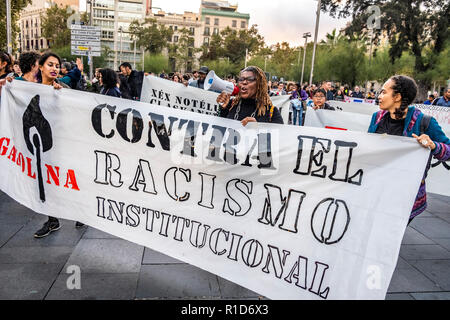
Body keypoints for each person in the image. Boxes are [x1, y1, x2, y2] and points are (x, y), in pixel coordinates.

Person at [368, 75, 450, 224]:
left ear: (397, 96)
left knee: (389, 235)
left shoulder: (425, 122)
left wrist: (434, 146)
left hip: (406, 196)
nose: (379, 96)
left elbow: (448, 150)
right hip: (376, 190)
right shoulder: (376, 117)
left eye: (384, 92)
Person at [33, 52, 85, 238]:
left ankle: (81, 212)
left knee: (69, 178)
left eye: (57, 65)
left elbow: (74, 111)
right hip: (43, 144)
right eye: (50, 65)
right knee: (48, 182)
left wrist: (62, 95)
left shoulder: (61, 87)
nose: (54, 68)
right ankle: (52, 220)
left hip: (63, 143)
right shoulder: (30, 89)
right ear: (40, 66)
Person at [216, 66, 283, 126]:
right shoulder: (231, 105)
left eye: (250, 79)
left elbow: (279, 138)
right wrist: (223, 110)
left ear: (260, 85)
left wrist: (257, 129)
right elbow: (217, 132)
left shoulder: (271, 112)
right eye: (241, 79)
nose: (244, 82)